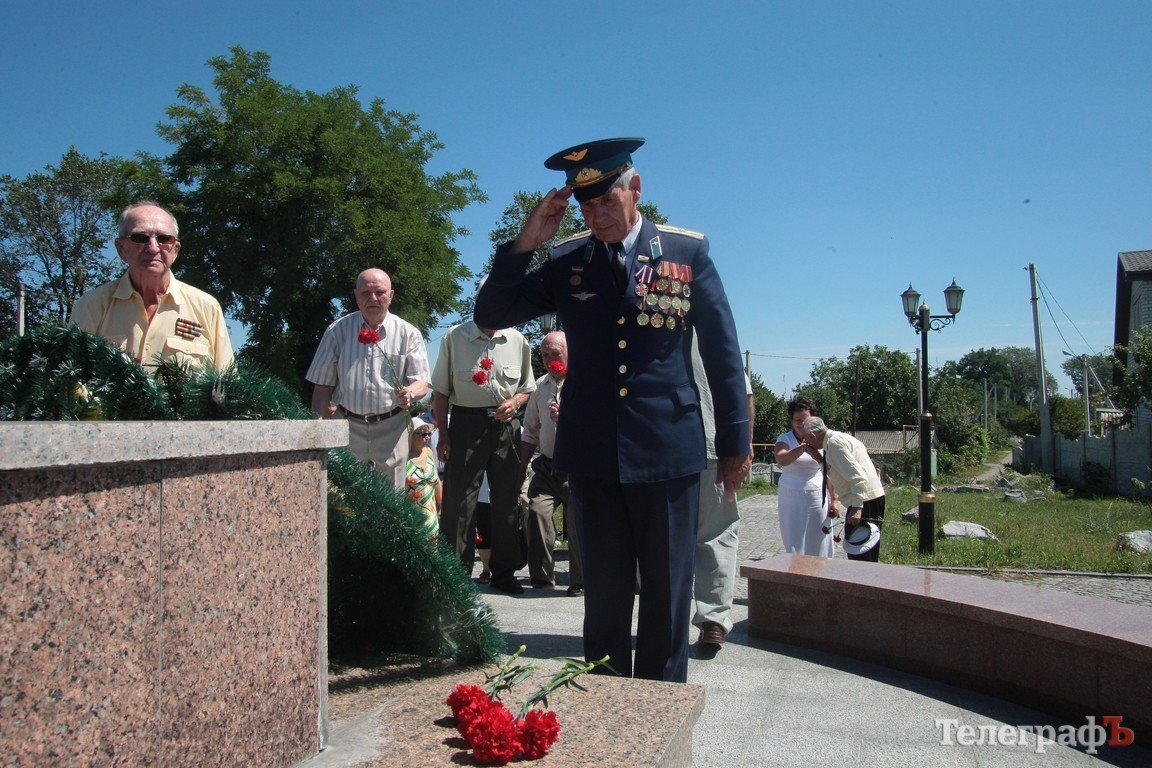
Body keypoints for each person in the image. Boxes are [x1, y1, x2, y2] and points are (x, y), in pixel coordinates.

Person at [475, 137, 750, 683]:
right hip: (593, 451)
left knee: (667, 594)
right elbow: (491, 312)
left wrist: (735, 445)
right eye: (586, 205)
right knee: (603, 594)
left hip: (668, 451)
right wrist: (528, 240)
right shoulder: (566, 260)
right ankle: (605, 702)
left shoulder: (685, 253)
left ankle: (660, 705)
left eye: (607, 200)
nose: (597, 214)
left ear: (635, 189)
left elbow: (723, 355)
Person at [432, 320, 535, 594]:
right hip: (466, 423)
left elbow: (527, 388)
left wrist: (515, 402)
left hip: (506, 425)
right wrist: (443, 434)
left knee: (506, 500)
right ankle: (456, 577)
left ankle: (504, 574)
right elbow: (440, 391)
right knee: (459, 501)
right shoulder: (454, 337)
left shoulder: (517, 340)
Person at [71, 201, 233, 372]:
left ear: (175, 250)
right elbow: (71, 379)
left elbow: (226, 382)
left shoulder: (207, 308)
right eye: (140, 238)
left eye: (164, 239)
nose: (153, 248)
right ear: (121, 248)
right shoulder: (91, 305)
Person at [305, 268, 430, 488]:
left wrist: (410, 392)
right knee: (344, 493)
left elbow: (422, 382)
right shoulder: (337, 330)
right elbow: (323, 384)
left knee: (391, 497)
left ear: (391, 295)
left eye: (380, 292)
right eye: (365, 292)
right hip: (347, 425)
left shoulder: (408, 333)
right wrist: (318, 428)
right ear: (356, 295)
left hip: (392, 426)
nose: (372, 298)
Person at [690, 333, 754, 651]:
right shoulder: (710, 331)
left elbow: (744, 394)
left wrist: (742, 448)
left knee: (668, 537)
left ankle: (678, 618)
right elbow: (744, 394)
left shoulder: (650, 324)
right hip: (704, 447)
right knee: (713, 537)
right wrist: (743, 446)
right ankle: (710, 618)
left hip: (685, 449)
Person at [518, 331, 584, 596]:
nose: (548, 360)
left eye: (554, 354)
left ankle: (580, 581)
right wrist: (520, 469)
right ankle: (542, 578)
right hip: (546, 465)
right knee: (537, 511)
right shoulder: (540, 386)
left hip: (578, 466)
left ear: (570, 352)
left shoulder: (584, 381)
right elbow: (530, 432)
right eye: (544, 355)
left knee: (577, 520)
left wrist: (568, 418)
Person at [800, 416, 886, 562]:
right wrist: (819, 459)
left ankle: (865, 577)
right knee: (861, 552)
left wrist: (857, 507)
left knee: (861, 553)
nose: (805, 441)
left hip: (865, 499)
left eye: (805, 438)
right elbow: (839, 474)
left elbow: (858, 477)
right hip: (867, 498)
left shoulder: (834, 444)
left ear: (813, 435)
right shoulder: (834, 440)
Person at [774, 397, 837, 557]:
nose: (802, 424)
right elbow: (781, 459)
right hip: (791, 498)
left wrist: (835, 499)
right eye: (798, 420)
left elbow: (829, 471)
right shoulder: (785, 439)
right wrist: (802, 448)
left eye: (806, 420)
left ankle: (821, 570)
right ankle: (797, 570)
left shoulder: (822, 439)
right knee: (794, 540)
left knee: (819, 539)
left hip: (817, 496)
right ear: (792, 421)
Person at [405, 422, 441, 536]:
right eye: (423, 434)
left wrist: (441, 507)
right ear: (412, 435)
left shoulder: (428, 451)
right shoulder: (404, 455)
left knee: (433, 544)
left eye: (429, 434)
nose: (428, 437)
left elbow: (436, 482)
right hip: (410, 516)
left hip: (430, 515)